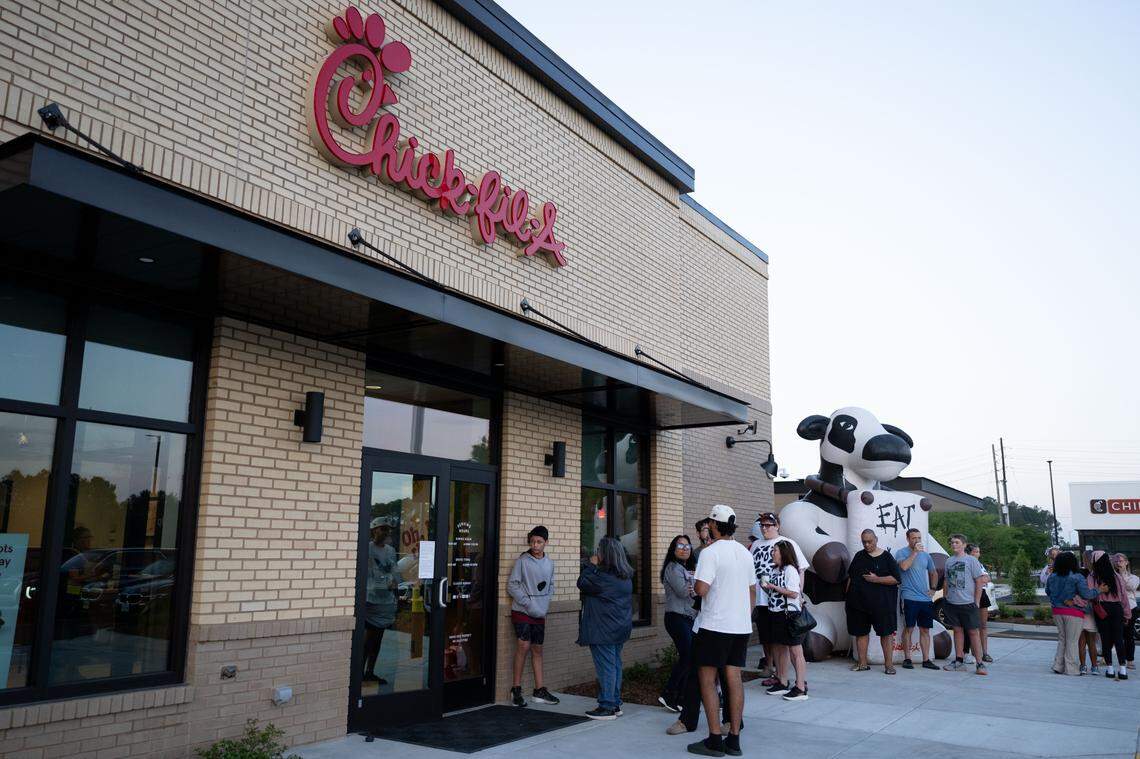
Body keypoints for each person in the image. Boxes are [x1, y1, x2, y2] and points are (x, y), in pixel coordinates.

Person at [687, 504, 756, 757]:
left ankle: (715, 739)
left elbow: (702, 589)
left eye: (710, 524)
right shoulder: (744, 552)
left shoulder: (710, 552)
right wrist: (743, 617)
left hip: (714, 625)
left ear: (714, 525)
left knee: (707, 680)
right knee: (734, 679)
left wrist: (693, 585)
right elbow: (752, 590)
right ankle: (734, 739)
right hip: (740, 626)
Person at [749, 512, 808, 691]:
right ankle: (779, 676)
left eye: (768, 524)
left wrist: (799, 595)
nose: (765, 528)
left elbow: (801, 569)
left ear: (777, 525)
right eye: (762, 525)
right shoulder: (756, 545)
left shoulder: (786, 543)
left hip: (784, 603)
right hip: (763, 601)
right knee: (771, 640)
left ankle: (797, 681)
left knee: (790, 644)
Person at [577, 535, 634, 720]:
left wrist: (591, 565)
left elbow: (582, 582)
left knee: (606, 668)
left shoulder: (602, 578)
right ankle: (615, 703)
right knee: (615, 665)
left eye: (599, 551)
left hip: (603, 630)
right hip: (619, 629)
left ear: (606, 554)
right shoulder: (624, 577)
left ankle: (607, 706)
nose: (597, 554)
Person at [507, 526, 559, 707]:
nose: (535, 545)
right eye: (533, 542)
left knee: (537, 649)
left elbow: (551, 585)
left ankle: (539, 690)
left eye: (539, 542)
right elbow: (512, 585)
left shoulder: (549, 563)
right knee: (523, 646)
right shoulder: (523, 561)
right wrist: (528, 602)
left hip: (540, 612)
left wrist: (544, 603)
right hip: (522, 611)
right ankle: (516, 689)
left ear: (546, 543)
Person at [845, 529, 901, 674]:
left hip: (882, 604)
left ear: (876, 539)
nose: (867, 544)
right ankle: (862, 663)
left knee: (886, 633)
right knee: (861, 633)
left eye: (869, 541)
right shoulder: (859, 556)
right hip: (858, 604)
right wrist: (847, 597)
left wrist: (876, 579)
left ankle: (889, 665)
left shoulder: (886, 557)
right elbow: (850, 577)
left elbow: (896, 579)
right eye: (864, 542)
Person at [761, 541, 809, 701]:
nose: (772, 553)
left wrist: (774, 587)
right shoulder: (775, 569)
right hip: (776, 613)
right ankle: (782, 681)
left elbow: (794, 593)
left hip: (790, 614)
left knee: (796, 651)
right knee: (780, 648)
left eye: (775, 550)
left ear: (783, 552)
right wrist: (767, 587)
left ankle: (801, 687)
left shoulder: (790, 570)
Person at [941, 533, 989, 675]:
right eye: (952, 543)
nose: (954, 545)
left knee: (973, 632)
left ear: (964, 545)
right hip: (952, 602)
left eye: (956, 542)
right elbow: (947, 581)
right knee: (957, 631)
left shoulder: (971, 561)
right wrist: (945, 598)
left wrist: (977, 601)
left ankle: (980, 663)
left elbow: (979, 581)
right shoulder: (949, 561)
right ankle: (959, 660)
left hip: (968, 603)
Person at [1045, 551, 1100, 675]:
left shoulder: (1052, 576)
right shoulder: (1077, 576)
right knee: (1072, 641)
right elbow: (1086, 594)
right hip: (1073, 612)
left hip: (1056, 611)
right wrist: (1099, 590)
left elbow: (1048, 591)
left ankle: (1058, 665)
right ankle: (1071, 669)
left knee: (1062, 639)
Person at [659, 534, 697, 712]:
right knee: (688, 656)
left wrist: (692, 582)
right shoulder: (673, 568)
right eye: (680, 546)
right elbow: (684, 592)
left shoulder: (685, 569)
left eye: (688, 546)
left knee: (690, 657)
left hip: (687, 617)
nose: (685, 549)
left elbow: (694, 591)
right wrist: (693, 581)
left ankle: (680, 697)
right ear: (673, 550)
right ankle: (668, 694)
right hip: (676, 617)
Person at [894, 527, 939, 670]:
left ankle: (926, 660)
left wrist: (933, 588)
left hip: (925, 599)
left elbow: (933, 572)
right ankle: (907, 658)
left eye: (919, 538)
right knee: (909, 628)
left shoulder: (926, 555)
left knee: (925, 630)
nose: (917, 540)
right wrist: (914, 552)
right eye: (914, 538)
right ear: (908, 539)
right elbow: (904, 567)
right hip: (909, 597)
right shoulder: (901, 553)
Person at [362, 519, 397, 685]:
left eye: (388, 530)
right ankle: (359, 672)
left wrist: (394, 582)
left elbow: (394, 572)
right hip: (370, 601)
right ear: (374, 530)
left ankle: (370, 672)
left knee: (377, 640)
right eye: (383, 529)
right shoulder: (366, 548)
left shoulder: (391, 551)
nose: (387, 533)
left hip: (385, 601)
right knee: (367, 640)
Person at [1090, 550, 1132, 680]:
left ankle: (1110, 668)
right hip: (1117, 609)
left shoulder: (1093, 576)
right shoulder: (1117, 576)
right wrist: (1127, 614)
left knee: (1105, 639)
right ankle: (1123, 669)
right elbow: (1124, 597)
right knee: (1119, 639)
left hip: (1101, 609)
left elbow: (1089, 594)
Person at [962, 544, 993, 663]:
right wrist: (979, 579)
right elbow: (976, 579)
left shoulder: (979, 564)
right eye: (976, 552)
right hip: (970, 595)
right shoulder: (966, 563)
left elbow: (987, 578)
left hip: (982, 595)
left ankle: (984, 652)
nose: (978, 554)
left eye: (979, 552)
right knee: (970, 626)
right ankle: (968, 652)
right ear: (969, 553)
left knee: (983, 625)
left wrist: (979, 579)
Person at [1113, 553, 1137, 670]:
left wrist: (1121, 575)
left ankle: (1130, 660)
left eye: (1121, 561)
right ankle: (1109, 658)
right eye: (1116, 561)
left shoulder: (1134, 577)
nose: (1119, 563)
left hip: (1131, 607)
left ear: (1126, 562)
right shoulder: (1113, 576)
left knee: (1129, 636)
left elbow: (1130, 586)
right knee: (1115, 635)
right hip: (1117, 608)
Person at [1078, 551, 1100, 674]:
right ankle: (1094, 666)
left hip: (1080, 611)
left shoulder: (1079, 574)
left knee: (1081, 641)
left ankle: (1083, 666)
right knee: (1091, 641)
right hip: (1091, 610)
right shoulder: (1095, 575)